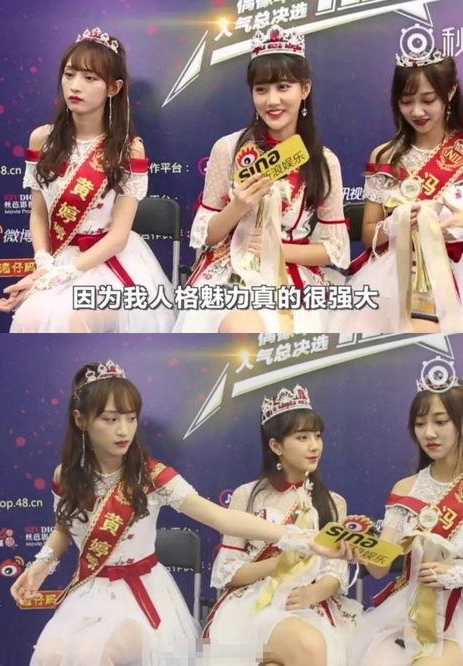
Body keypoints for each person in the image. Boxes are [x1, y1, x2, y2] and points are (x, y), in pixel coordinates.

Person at [10, 361, 314, 665]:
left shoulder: (151, 476)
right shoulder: (66, 475)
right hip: (88, 593)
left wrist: (296, 537)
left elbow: (221, 518)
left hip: (138, 598)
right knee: (48, 657)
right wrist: (41, 565)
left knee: (95, 656)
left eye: (131, 418)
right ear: (81, 419)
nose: (123, 430)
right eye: (110, 419)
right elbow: (64, 528)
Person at [0, 28, 174, 333]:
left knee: (71, 322)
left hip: (108, 262)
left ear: (113, 88)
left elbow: (118, 236)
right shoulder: (42, 139)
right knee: (27, 321)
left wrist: (63, 274)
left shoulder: (128, 149)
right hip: (57, 258)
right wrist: (43, 264)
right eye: (70, 74)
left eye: (90, 78)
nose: (75, 86)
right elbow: (38, 214)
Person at [174, 25, 349, 334]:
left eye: (283, 87)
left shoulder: (324, 162)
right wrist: (238, 206)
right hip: (230, 270)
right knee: (240, 327)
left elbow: (333, 250)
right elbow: (206, 236)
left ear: (304, 90)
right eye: (261, 89)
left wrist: (275, 250)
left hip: (292, 274)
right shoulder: (228, 149)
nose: (272, 100)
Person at [202, 385, 360, 666]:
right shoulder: (247, 495)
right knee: (308, 645)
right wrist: (279, 564)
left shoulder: (333, 502)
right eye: (302, 437)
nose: (314, 446)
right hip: (255, 604)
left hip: (310, 603)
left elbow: (335, 571)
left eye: (317, 436)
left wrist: (313, 593)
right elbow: (228, 571)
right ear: (276, 446)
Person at [337, 46, 463, 334]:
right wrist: (397, 223)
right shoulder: (385, 156)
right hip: (400, 268)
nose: (416, 112)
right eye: (406, 101)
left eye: (428, 100)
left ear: (451, 91)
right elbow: (369, 234)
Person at [349, 373, 463, 665]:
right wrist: (359, 546)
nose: (429, 433)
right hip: (408, 614)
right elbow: (380, 568)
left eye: (440, 421)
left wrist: (454, 573)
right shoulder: (405, 488)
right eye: (420, 423)